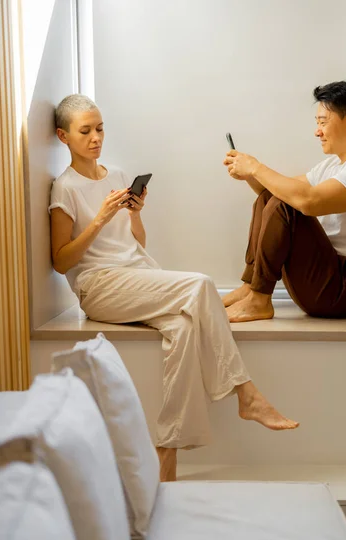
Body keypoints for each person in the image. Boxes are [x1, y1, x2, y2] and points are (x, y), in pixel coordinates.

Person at [49, 94, 299, 482]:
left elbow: (135, 246)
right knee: (200, 285)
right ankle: (245, 394)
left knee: (183, 330)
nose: (96, 137)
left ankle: (166, 455)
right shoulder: (64, 187)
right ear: (63, 136)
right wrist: (98, 219)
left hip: (133, 275)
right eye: (86, 131)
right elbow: (61, 261)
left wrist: (134, 214)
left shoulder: (115, 176)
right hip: (98, 287)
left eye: (100, 128)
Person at [223, 80, 346, 322]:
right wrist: (248, 174)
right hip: (323, 277)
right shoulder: (334, 165)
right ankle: (252, 287)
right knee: (271, 197)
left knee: (288, 202)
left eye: (323, 122)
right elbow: (276, 193)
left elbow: (307, 201)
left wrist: (256, 167)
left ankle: (259, 298)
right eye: (317, 124)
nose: (318, 131)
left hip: (343, 291)